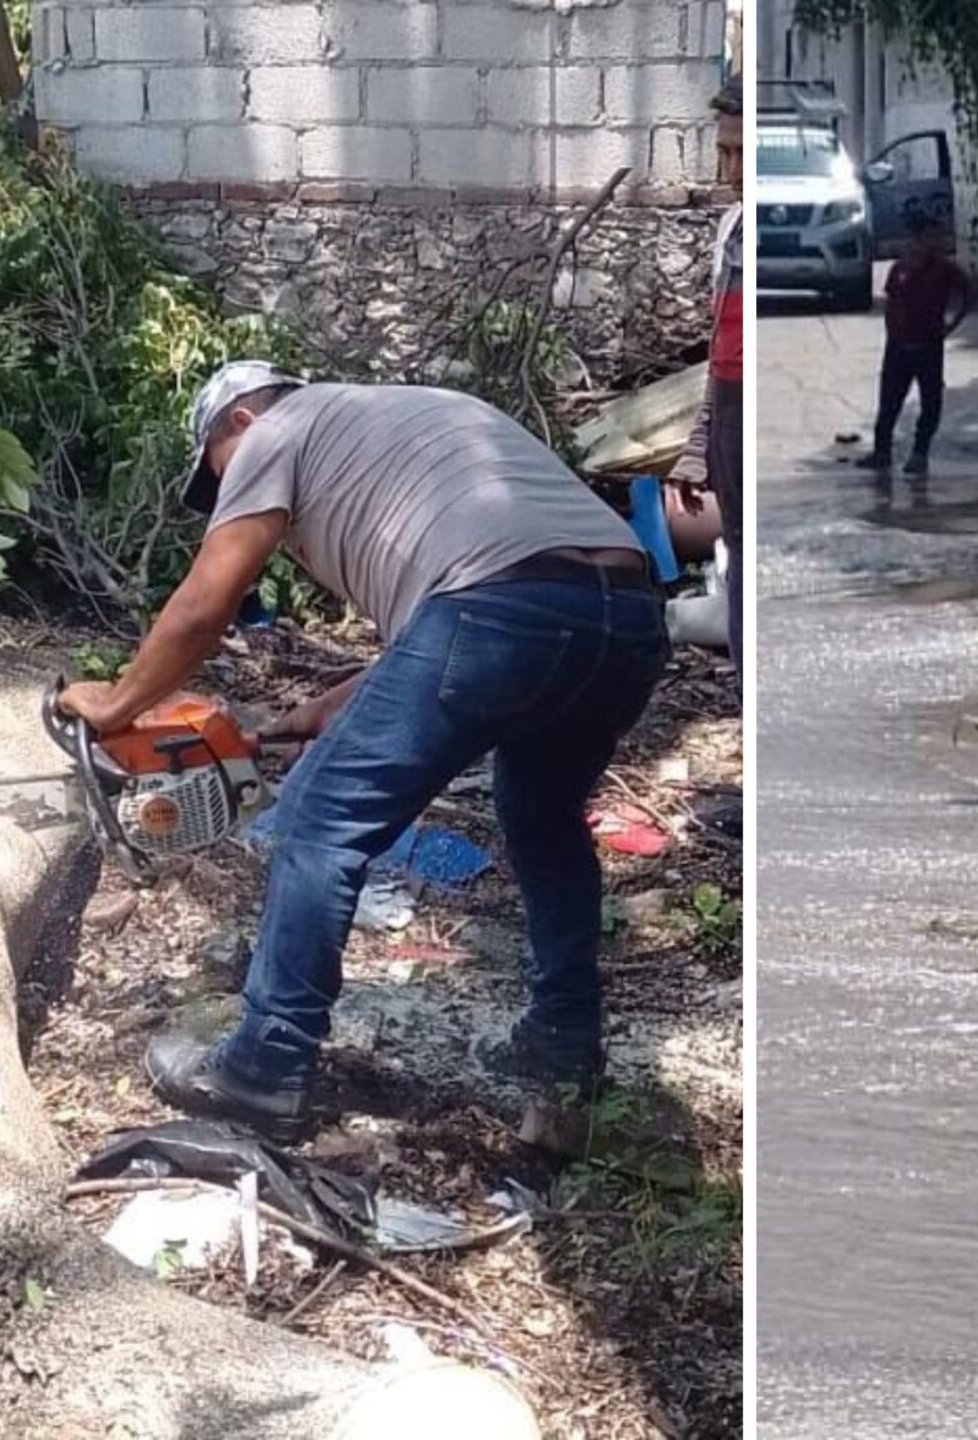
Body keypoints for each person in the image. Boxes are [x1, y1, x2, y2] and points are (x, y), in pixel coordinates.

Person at [55, 362, 670, 1137]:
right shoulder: (415, 416)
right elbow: (456, 634)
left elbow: (205, 607)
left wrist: (115, 701)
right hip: (628, 618)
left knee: (319, 827)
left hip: (497, 610)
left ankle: (264, 1068)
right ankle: (565, 1050)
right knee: (544, 818)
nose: (228, 496)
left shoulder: (274, 432)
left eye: (219, 477)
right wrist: (311, 714)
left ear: (238, 425)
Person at [667, 75, 745, 674]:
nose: (732, 172)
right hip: (733, 414)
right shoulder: (732, 232)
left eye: (743, 154)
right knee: (740, 553)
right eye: (724, 153)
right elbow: (721, 355)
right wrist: (698, 447)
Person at [860, 217, 973, 475]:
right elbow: (890, 303)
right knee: (889, 401)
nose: (933, 244)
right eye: (927, 238)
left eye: (937, 238)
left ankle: (920, 453)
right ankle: (881, 452)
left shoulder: (945, 270)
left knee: (930, 402)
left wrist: (951, 326)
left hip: (929, 346)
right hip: (898, 346)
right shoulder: (899, 268)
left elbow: (968, 292)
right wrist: (892, 331)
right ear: (916, 240)